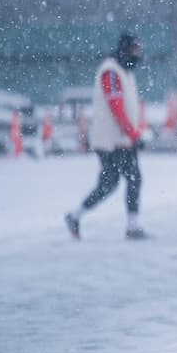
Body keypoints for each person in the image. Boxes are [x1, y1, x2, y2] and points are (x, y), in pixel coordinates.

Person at [65, 32, 147, 240]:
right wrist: (132, 133)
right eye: (135, 50)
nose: (138, 55)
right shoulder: (110, 72)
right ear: (126, 49)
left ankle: (77, 217)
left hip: (120, 138)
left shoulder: (124, 71)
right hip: (111, 140)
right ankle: (130, 226)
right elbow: (116, 106)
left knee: (120, 181)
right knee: (121, 180)